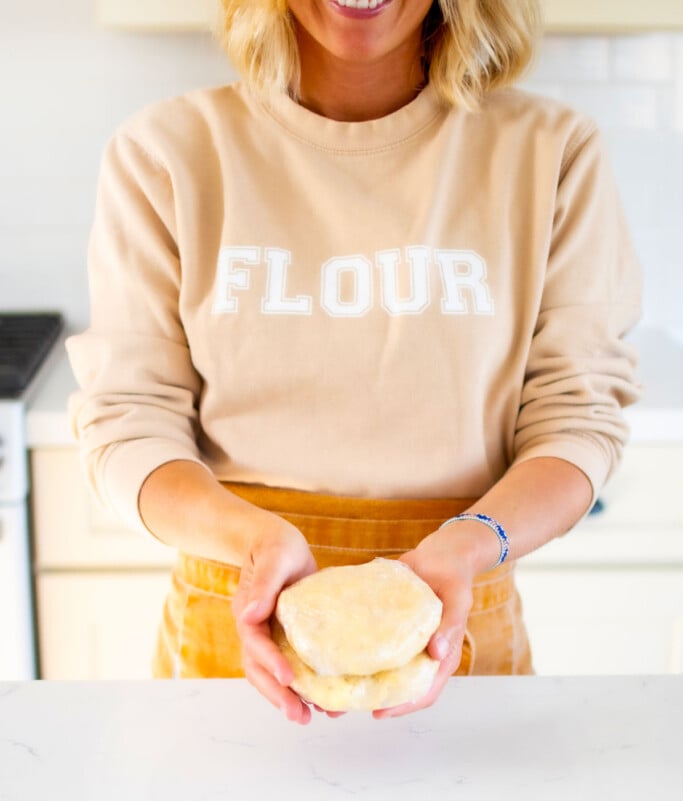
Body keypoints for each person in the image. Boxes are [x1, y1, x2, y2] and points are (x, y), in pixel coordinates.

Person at [67, 0, 642, 724]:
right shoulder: (169, 152)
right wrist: (252, 540)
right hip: (234, 643)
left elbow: (576, 419)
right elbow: (127, 424)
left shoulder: (548, 152)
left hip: (460, 629)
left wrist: (471, 545)